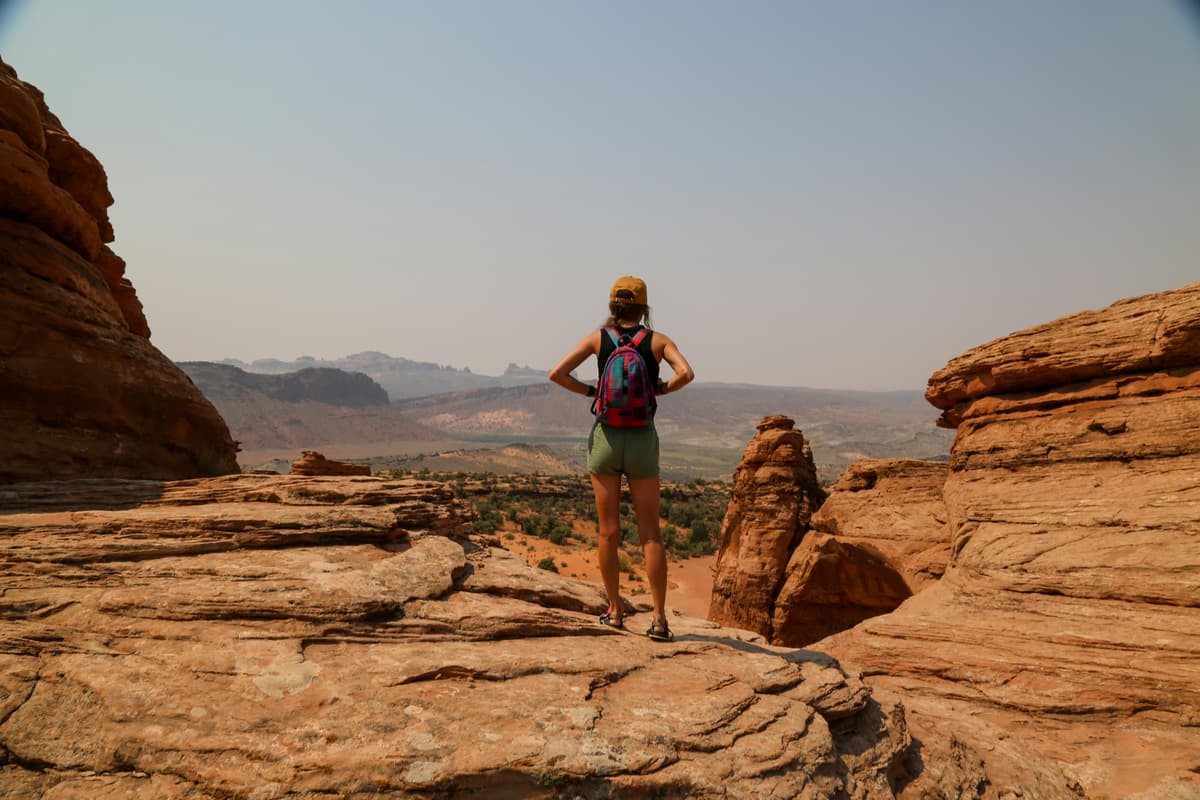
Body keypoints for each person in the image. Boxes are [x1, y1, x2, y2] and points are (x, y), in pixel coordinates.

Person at [549, 276, 694, 641]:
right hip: (642, 439)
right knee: (651, 534)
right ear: (644, 307)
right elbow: (687, 374)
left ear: (613, 306)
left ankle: (614, 611)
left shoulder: (599, 339)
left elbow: (557, 373)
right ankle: (659, 620)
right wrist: (659, 388)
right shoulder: (658, 341)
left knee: (608, 532)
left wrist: (591, 390)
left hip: (606, 438)